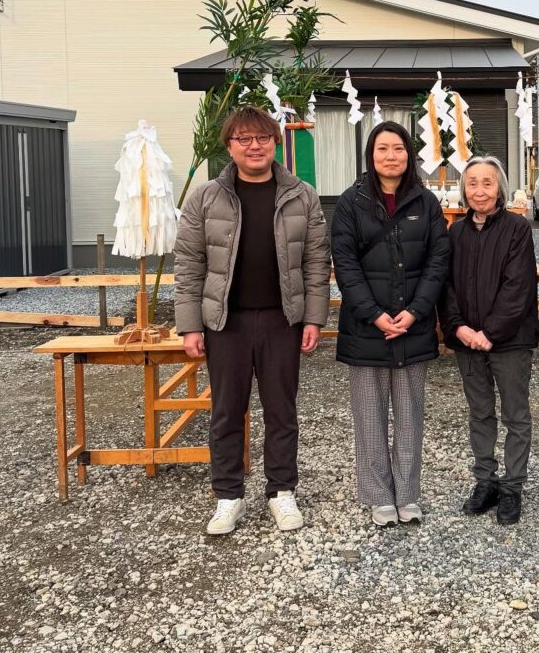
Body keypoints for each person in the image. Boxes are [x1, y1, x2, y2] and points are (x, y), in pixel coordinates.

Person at [174, 106, 331, 536]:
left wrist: (314, 317)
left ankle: (282, 492)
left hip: (284, 320)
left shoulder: (302, 195)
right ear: (229, 147)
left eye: (261, 137)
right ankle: (228, 496)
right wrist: (190, 325)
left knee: (282, 410)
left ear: (275, 142)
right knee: (227, 412)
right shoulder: (205, 198)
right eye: (243, 139)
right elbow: (188, 264)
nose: (254, 146)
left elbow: (317, 262)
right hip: (225, 323)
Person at [330, 121, 449, 527]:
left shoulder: (426, 202)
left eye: (398, 149)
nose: (390, 157)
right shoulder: (351, 202)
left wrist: (416, 311)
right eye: (382, 149)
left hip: (412, 325)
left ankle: (408, 494)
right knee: (369, 413)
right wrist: (374, 313)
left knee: (411, 413)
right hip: (367, 327)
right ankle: (379, 494)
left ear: (408, 155)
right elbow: (344, 265)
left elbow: (438, 261)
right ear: (371, 156)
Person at [440, 156, 539, 526]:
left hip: (509, 341)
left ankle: (512, 486)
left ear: (499, 186)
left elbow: (519, 287)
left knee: (516, 415)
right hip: (467, 340)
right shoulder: (456, 233)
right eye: (472, 183)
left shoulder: (517, 229)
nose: (479, 191)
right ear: (463, 189)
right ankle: (486, 480)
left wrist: (490, 333)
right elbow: (445, 286)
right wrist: (458, 328)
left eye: (487, 183)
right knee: (480, 413)